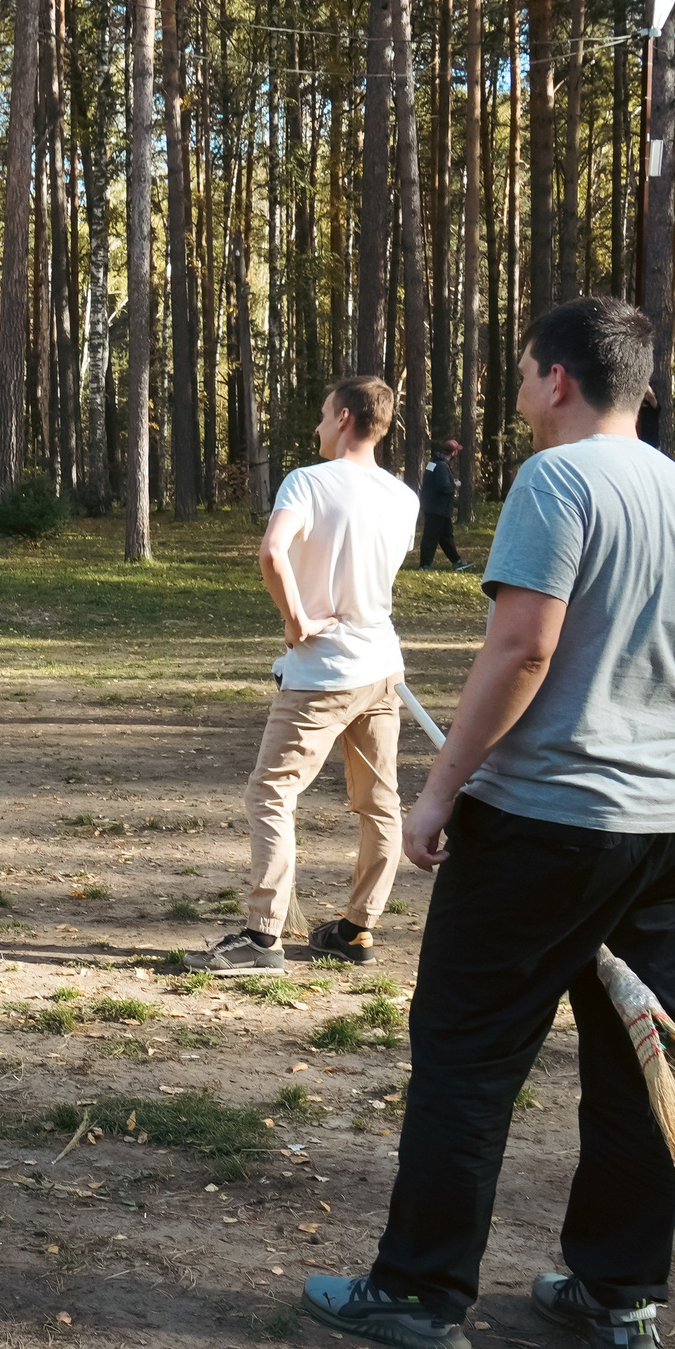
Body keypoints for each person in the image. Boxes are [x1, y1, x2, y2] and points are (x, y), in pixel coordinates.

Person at [300, 296, 675, 1349]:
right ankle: (618, 1294)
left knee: (466, 1052)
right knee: (643, 1060)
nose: (518, 391)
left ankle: (418, 1289)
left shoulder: (557, 480)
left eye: (523, 370)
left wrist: (443, 790)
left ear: (557, 379)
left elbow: (521, 651)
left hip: (549, 820)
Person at [199, 376, 421, 974]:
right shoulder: (404, 498)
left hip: (323, 672)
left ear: (345, 417)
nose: (319, 427)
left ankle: (262, 936)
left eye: (324, 415)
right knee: (379, 803)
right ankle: (355, 929)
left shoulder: (310, 482)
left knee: (271, 793)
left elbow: (273, 552)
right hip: (381, 666)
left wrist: (296, 621)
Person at [419, 437, 469, 571]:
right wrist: (455, 484)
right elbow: (443, 487)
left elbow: (434, 483)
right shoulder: (442, 466)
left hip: (434, 507)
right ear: (454, 453)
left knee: (446, 537)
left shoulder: (433, 463)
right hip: (438, 508)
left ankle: (456, 561)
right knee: (431, 537)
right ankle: (424, 565)